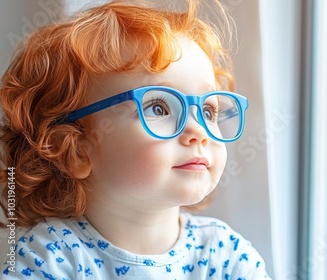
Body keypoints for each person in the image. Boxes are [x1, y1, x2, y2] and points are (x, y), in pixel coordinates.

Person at [0, 0, 270, 279]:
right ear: (75, 150)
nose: (198, 132)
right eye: (159, 108)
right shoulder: (49, 257)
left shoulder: (227, 255)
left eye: (207, 110)